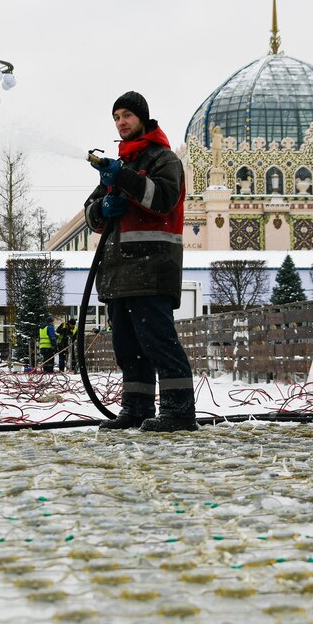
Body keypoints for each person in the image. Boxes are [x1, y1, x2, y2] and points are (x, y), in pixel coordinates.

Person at [85, 91, 198, 431]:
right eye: (117, 117)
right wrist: (101, 209)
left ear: (143, 119)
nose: (121, 122)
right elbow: (91, 213)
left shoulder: (163, 159)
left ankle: (179, 412)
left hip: (152, 268)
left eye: (127, 116)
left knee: (158, 342)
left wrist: (122, 178)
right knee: (127, 347)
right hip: (119, 272)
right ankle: (136, 408)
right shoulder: (120, 166)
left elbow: (162, 199)